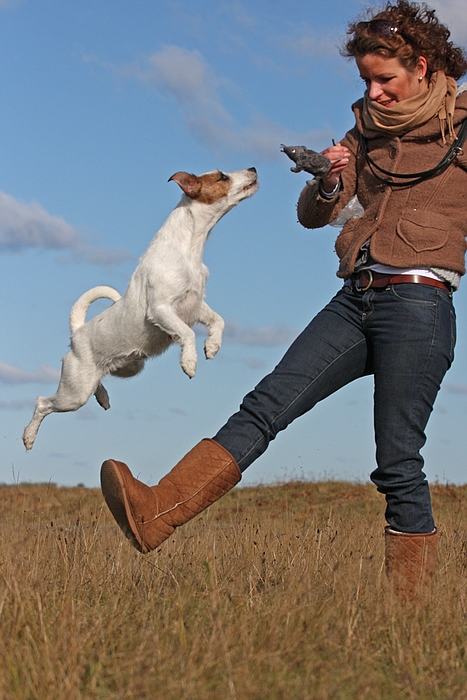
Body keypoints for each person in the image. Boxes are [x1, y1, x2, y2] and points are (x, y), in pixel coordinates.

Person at [100, 0, 467, 603]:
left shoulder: (460, 122)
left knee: (398, 461)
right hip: (357, 296)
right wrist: (327, 179)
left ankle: (413, 619)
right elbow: (311, 216)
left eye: (386, 79)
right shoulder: (361, 134)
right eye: (366, 81)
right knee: (265, 404)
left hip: (421, 306)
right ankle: (156, 511)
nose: (374, 92)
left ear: (422, 66)